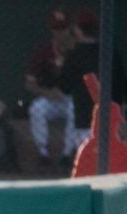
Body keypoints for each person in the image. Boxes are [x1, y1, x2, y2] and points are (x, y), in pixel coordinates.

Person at [59, 9, 126, 154]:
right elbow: (120, 85)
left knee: (87, 161)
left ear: (78, 30)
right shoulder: (110, 52)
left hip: (83, 118)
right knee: (107, 161)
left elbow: (63, 86)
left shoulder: (74, 56)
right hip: (109, 118)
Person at [25, 11, 82, 168]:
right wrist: (47, 93)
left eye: (63, 28)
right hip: (51, 98)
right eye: (56, 29)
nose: (60, 32)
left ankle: (67, 154)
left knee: (74, 109)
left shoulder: (79, 50)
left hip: (73, 98)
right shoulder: (44, 51)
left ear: (70, 29)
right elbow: (29, 84)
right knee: (36, 108)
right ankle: (43, 154)